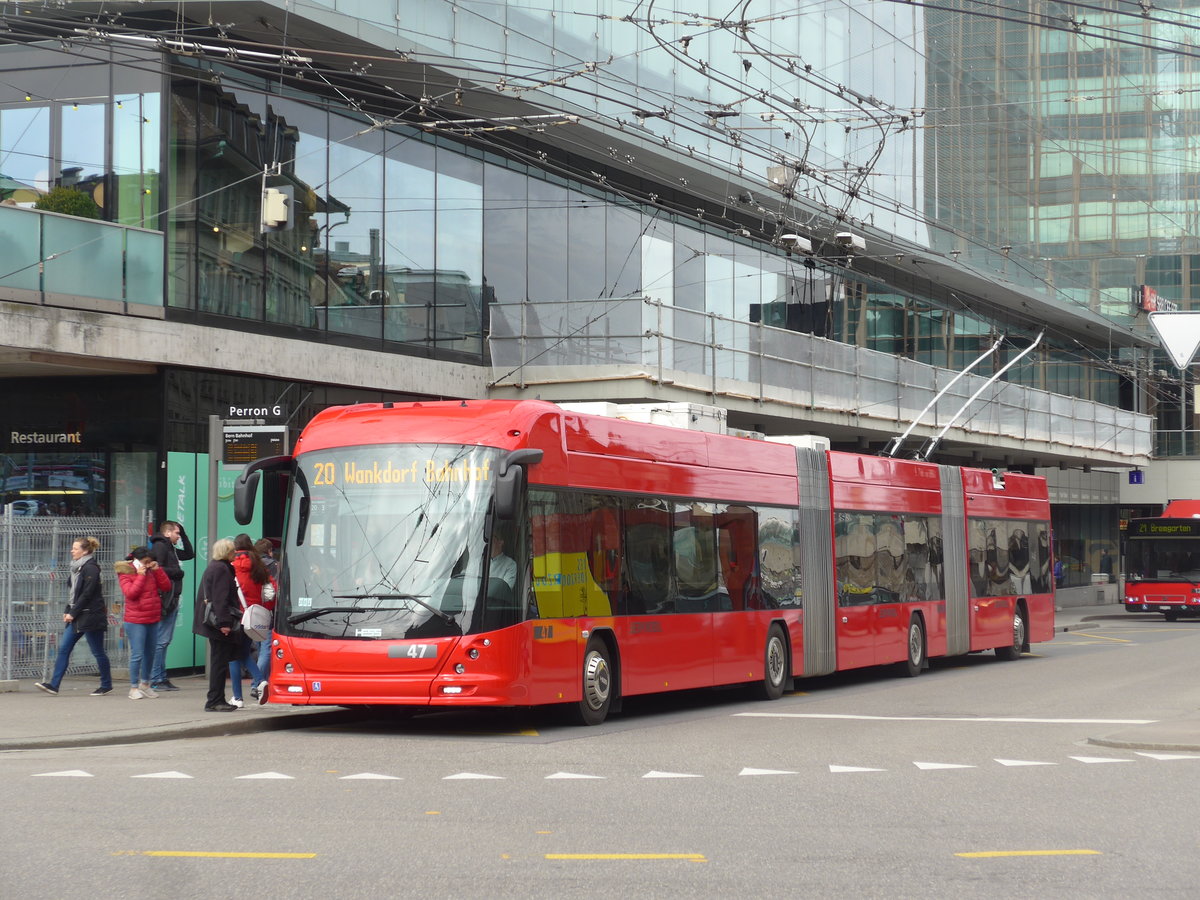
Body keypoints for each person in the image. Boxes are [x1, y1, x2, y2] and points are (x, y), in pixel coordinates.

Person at [36, 536, 113, 696]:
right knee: (64, 648)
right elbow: (74, 593)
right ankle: (54, 685)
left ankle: (106, 684)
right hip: (77, 615)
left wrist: (72, 612)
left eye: (75, 548)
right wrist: (67, 609)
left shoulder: (91, 568)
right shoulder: (76, 568)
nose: (72, 551)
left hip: (90, 616)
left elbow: (87, 594)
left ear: (85, 551)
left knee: (97, 651)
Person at [115, 546, 169, 700]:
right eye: (146, 562)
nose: (148, 564)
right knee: (137, 654)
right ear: (138, 560)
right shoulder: (126, 571)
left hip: (152, 617)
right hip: (135, 619)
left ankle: (145, 684)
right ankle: (133, 687)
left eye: (150, 562)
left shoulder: (152, 570)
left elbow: (166, 586)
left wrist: (158, 570)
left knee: (150, 653)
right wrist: (140, 576)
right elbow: (131, 593)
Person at [193, 538, 241, 712]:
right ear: (226, 552)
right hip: (218, 624)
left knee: (218, 661)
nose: (235, 553)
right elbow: (220, 599)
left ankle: (215, 699)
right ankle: (215, 700)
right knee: (219, 663)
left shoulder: (215, 567)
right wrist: (225, 623)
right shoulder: (221, 569)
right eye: (232, 551)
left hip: (214, 623)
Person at [148, 520, 195, 692]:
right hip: (165, 598)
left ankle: (161, 677)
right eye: (176, 533)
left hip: (171, 598)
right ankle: (156, 678)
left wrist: (183, 534)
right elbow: (156, 568)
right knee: (161, 640)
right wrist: (178, 573)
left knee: (164, 640)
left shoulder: (170, 547)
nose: (178, 536)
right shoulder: (161, 546)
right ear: (167, 533)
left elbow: (190, 554)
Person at [229, 534, 271, 707]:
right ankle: (257, 682)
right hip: (254, 615)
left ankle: (240, 696)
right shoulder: (259, 566)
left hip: (238, 615)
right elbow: (270, 592)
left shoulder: (232, 567)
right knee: (243, 653)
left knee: (234, 656)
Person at [253, 538, 279, 680]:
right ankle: (258, 683)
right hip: (267, 611)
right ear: (269, 551)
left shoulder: (251, 564)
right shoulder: (273, 565)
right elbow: (274, 589)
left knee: (258, 647)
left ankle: (260, 681)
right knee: (266, 649)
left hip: (252, 611)